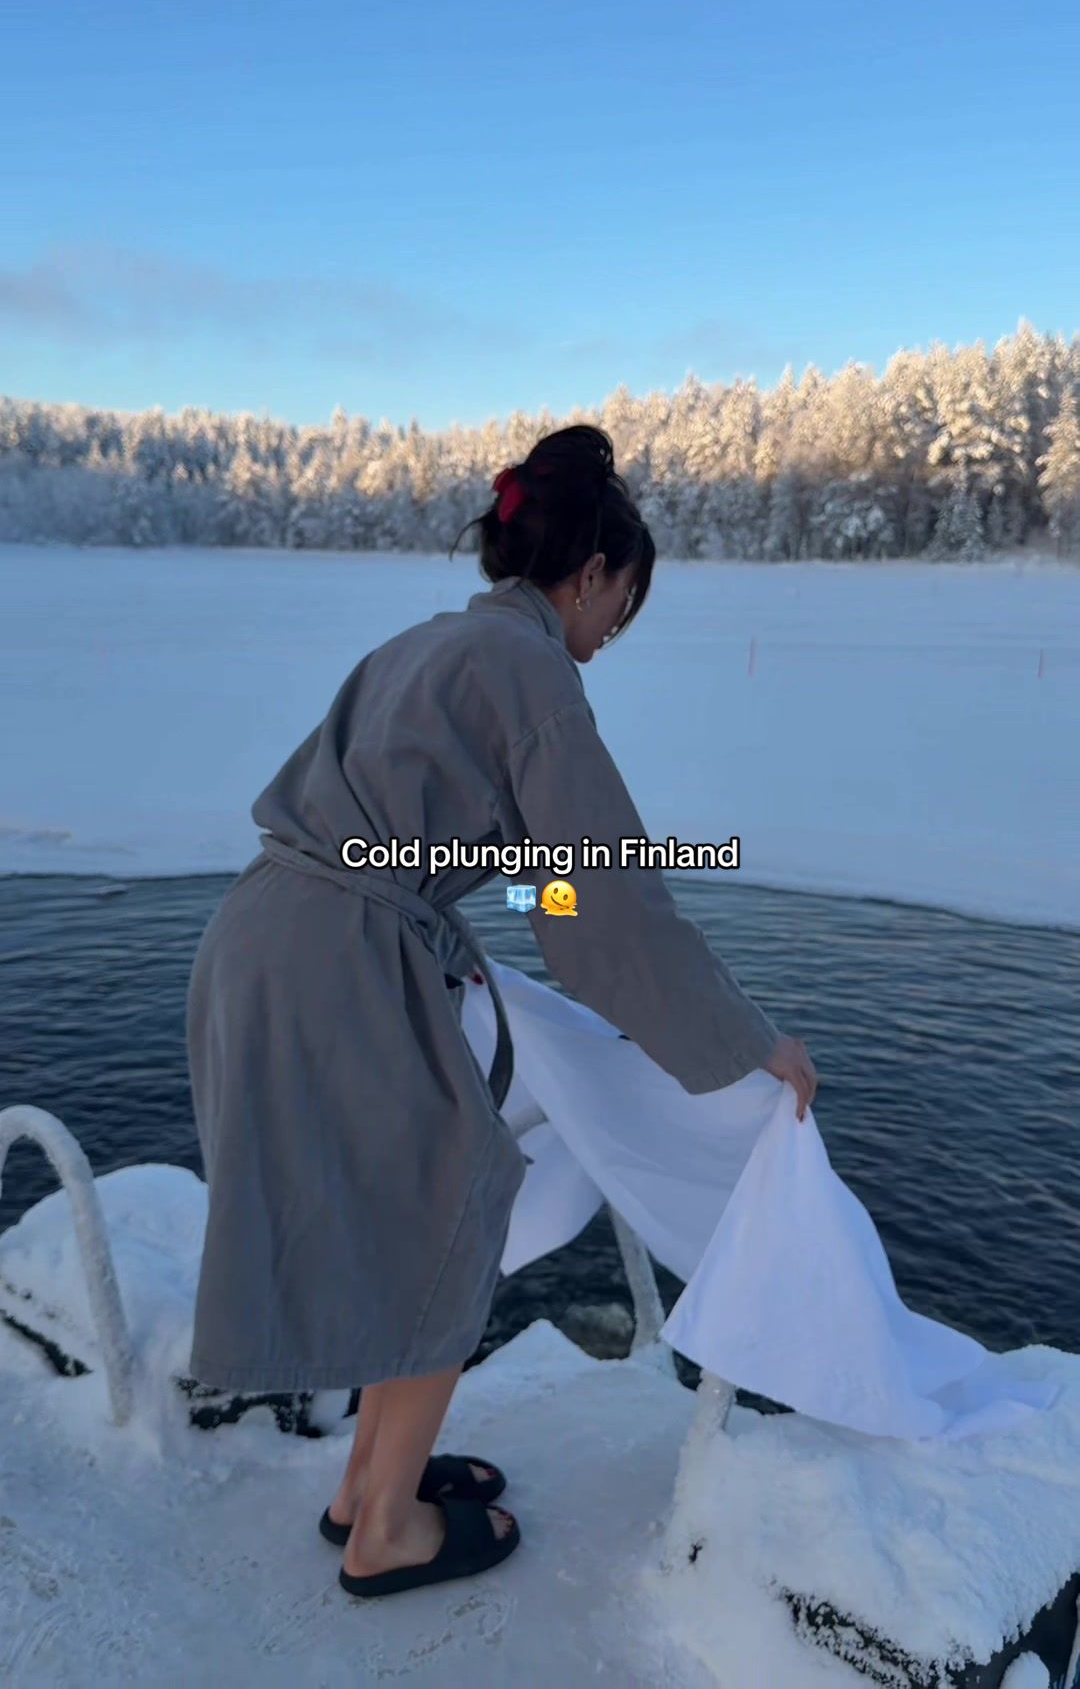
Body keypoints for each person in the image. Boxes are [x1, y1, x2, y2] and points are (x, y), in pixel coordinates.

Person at [185, 424, 817, 1601]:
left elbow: (538, 883)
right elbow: (607, 907)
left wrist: (526, 921)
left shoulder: (431, 645)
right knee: (447, 1210)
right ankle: (386, 1529)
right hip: (343, 958)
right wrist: (742, 1044)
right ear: (592, 574)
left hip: (267, 936)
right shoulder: (533, 676)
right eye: (621, 605)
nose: (613, 631)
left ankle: (366, 1484)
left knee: (400, 1211)